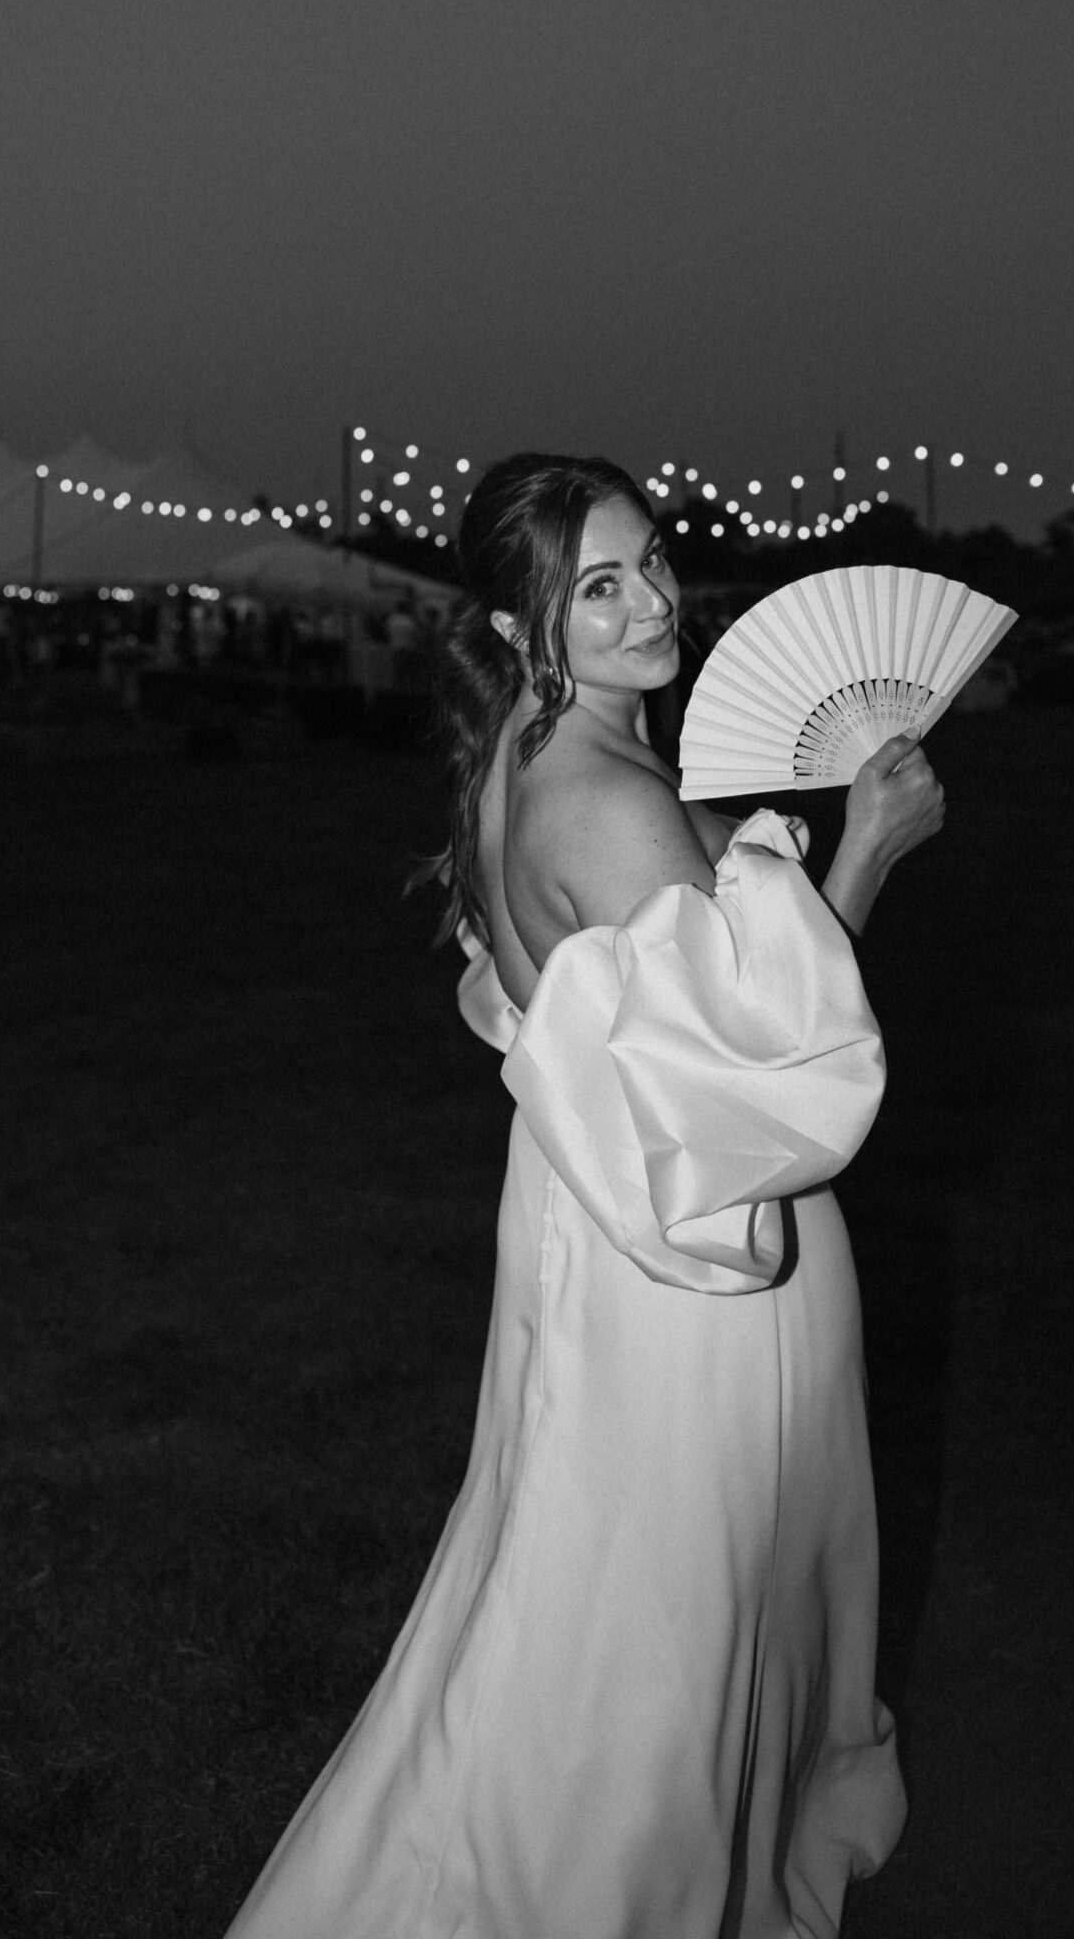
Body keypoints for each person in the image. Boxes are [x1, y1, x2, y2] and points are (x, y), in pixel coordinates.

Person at [222, 452, 943, 1939]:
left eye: (653, 561)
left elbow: (597, 1015)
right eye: (596, 588)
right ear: (509, 632)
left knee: (585, 1572)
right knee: (675, 1603)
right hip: (689, 1263)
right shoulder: (605, 795)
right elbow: (759, 1075)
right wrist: (865, 850)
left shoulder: (519, 764)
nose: (652, 603)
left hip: (584, 1221)